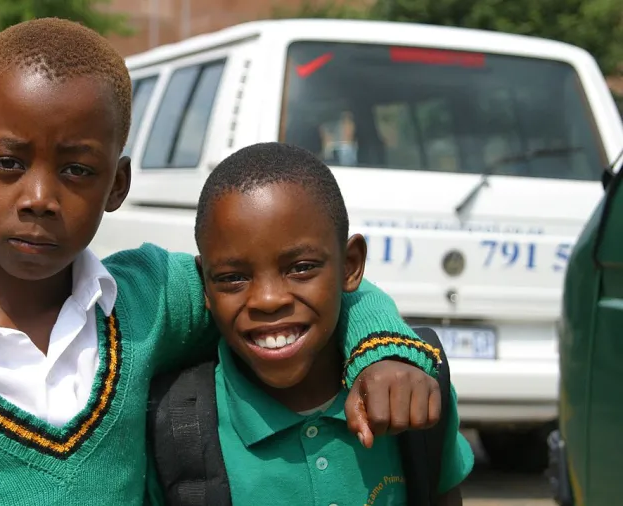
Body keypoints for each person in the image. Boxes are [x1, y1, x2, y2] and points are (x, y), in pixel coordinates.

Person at [0, 19, 444, 505]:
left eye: (78, 170)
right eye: (8, 164)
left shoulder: (148, 300)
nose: (39, 198)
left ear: (117, 185)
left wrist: (385, 352)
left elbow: (314, 292)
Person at [147, 143, 473, 506]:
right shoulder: (177, 429)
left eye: (301, 268)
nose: (269, 300)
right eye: (232, 277)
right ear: (204, 285)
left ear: (350, 266)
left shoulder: (412, 388)